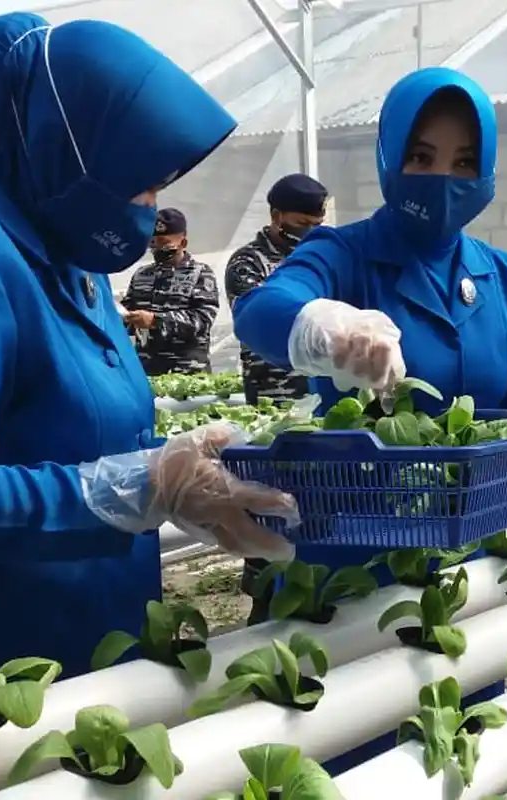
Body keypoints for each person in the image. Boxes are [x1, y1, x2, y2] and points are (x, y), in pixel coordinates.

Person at [232, 66, 507, 767]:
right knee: (348, 759)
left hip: (469, 567)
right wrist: (321, 323)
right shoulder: (345, 253)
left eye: (465, 162)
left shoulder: (501, 276)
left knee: (450, 758)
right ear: (389, 157)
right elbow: (260, 310)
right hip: (352, 553)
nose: (443, 179)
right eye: (421, 157)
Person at [0, 12, 297, 698]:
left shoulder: (72, 260)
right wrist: (131, 488)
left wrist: (184, 465)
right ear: (60, 149)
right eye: (137, 178)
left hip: (100, 646)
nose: (151, 204)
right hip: (1, 679)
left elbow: (95, 433)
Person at [225, 173, 327, 624]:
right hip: (271, 407)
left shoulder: (325, 259)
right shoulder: (248, 263)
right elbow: (263, 317)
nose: (309, 231)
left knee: (318, 510)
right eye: (301, 223)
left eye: (317, 222)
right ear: (275, 217)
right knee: (266, 510)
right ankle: (263, 607)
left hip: (319, 409)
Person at [121, 207, 220, 376]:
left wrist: (155, 321)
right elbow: (127, 313)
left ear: (182, 243)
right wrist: (122, 316)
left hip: (188, 373)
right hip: (146, 370)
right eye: (154, 243)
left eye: (165, 243)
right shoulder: (142, 275)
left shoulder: (200, 273)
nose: (158, 249)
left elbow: (203, 319)